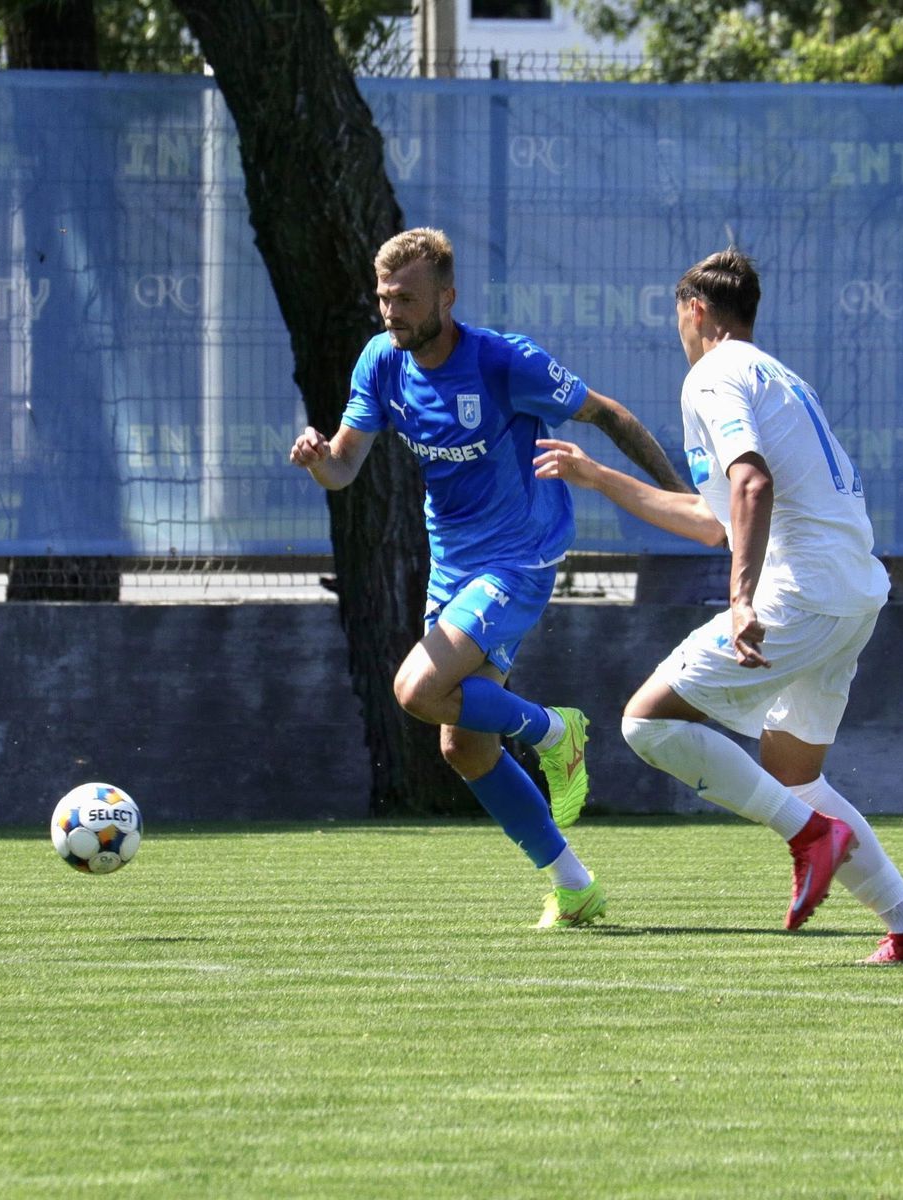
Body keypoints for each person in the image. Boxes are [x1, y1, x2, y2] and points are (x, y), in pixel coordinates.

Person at [534, 247, 903, 963]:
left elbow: (751, 484)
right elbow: (715, 518)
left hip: (802, 592)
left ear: (695, 311)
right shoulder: (776, 376)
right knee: (795, 775)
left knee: (647, 722)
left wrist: (741, 597)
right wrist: (601, 477)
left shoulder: (712, 374)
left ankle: (809, 837)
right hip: (850, 593)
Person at [290, 227, 688, 929]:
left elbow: (609, 413)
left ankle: (552, 731)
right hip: (454, 563)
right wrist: (319, 457)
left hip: (520, 557)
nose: (392, 313)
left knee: (416, 690)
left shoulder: (505, 362)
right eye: (384, 299)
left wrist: (680, 496)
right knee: (464, 744)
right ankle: (574, 886)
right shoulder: (383, 362)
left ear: (447, 295)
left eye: (407, 299)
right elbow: (345, 469)